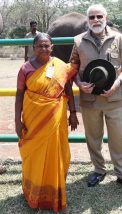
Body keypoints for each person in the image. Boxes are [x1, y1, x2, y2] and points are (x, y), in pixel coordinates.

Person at [69, 4, 122, 193]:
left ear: (106, 17)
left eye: (99, 16)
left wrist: (117, 83)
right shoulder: (78, 41)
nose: (96, 20)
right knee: (93, 137)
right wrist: (79, 84)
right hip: (89, 99)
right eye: (91, 17)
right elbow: (73, 67)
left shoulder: (119, 38)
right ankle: (99, 170)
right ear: (87, 20)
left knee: (119, 138)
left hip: (113, 97)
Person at [15, 33, 78, 212]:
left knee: (57, 153)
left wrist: (73, 112)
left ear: (52, 47)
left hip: (56, 118)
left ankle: (54, 193)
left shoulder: (60, 66)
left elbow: (68, 89)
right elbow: (19, 94)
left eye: (46, 45)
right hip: (33, 119)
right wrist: (17, 121)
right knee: (34, 155)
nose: (43, 48)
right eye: (39, 46)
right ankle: (32, 192)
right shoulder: (25, 68)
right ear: (34, 48)